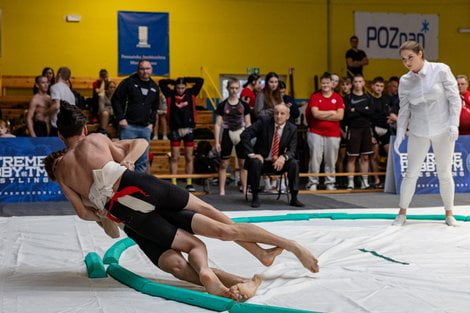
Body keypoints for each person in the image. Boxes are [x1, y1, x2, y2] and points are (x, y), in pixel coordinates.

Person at [44, 103, 319, 298]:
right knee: (210, 215)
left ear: (59, 135)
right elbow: (139, 143)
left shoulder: (61, 170)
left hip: (122, 211)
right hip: (135, 184)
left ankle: (222, 273)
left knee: (182, 251)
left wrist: (102, 212)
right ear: (84, 129)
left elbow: (82, 213)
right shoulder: (96, 139)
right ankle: (283, 247)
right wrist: (127, 160)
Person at [392, 41, 461, 227]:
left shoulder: (440, 70)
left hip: (443, 129)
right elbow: (404, 109)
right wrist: (400, 133)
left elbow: (455, 99)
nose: (407, 62)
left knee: (445, 172)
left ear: (420, 53)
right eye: (403, 59)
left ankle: (449, 213)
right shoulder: (405, 81)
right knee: (411, 173)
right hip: (418, 131)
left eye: (410, 58)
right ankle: (402, 213)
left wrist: (454, 124)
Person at [241, 102, 304, 208]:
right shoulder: (264, 122)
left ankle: (294, 197)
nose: (278, 116)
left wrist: (284, 157)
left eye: (282, 114)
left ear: (288, 116)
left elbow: (292, 150)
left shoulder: (292, 128)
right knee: (255, 162)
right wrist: (252, 154)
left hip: (278, 162)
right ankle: (255, 196)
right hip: (262, 161)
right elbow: (245, 135)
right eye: (276, 113)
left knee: (294, 163)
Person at [112, 59, 159, 173]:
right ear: (138, 70)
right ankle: (124, 186)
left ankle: (138, 188)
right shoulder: (128, 82)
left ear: (151, 70)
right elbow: (115, 99)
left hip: (145, 128)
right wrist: (121, 118)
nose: (145, 71)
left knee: (142, 161)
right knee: (125, 159)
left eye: (147, 68)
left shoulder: (154, 86)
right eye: (142, 69)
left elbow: (155, 107)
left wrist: (151, 123)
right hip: (128, 127)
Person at [159, 76, 204, 191]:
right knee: (175, 157)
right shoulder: (170, 93)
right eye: (178, 88)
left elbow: (200, 81)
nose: (180, 90)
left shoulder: (191, 92)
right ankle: (173, 182)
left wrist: (186, 79)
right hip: (175, 130)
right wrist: (173, 81)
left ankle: (189, 183)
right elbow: (161, 82)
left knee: (189, 157)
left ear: (186, 87)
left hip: (189, 130)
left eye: (183, 87)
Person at [305, 72, 344, 191]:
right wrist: (332, 112)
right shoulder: (315, 97)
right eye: (323, 83)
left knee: (331, 159)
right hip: (316, 132)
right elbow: (315, 114)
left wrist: (325, 114)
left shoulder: (337, 97)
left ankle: (330, 182)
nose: (325, 85)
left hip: (333, 134)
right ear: (320, 84)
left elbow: (340, 116)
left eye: (327, 83)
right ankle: (312, 182)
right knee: (315, 158)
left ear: (332, 84)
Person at [214, 77, 251, 195]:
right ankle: (222, 190)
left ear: (239, 88)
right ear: (227, 88)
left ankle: (245, 189)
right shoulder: (222, 105)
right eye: (231, 88)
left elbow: (249, 124)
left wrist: (248, 140)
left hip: (241, 133)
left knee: (243, 164)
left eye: (236, 88)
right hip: (227, 133)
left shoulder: (244, 105)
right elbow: (217, 125)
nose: (234, 91)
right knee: (224, 163)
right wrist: (216, 142)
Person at [343, 74, 374, 190]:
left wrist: (356, 109)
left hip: (366, 129)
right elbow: (348, 115)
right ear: (352, 84)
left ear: (364, 83)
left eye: (360, 81)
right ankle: (350, 182)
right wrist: (363, 110)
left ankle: (364, 181)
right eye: (355, 82)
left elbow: (371, 112)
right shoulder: (348, 98)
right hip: (353, 129)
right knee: (352, 157)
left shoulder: (368, 98)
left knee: (365, 157)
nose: (358, 84)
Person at [369, 76, 393, 188]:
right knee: (375, 156)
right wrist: (371, 134)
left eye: (381, 86)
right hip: (374, 129)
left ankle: (389, 179)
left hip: (386, 129)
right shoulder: (368, 99)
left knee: (391, 154)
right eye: (377, 86)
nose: (379, 88)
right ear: (372, 86)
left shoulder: (387, 99)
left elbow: (390, 113)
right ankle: (376, 179)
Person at [50, 66, 76, 136]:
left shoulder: (55, 87)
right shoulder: (70, 92)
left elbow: (56, 105)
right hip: (68, 125)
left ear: (59, 74)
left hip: (57, 126)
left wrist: (44, 113)